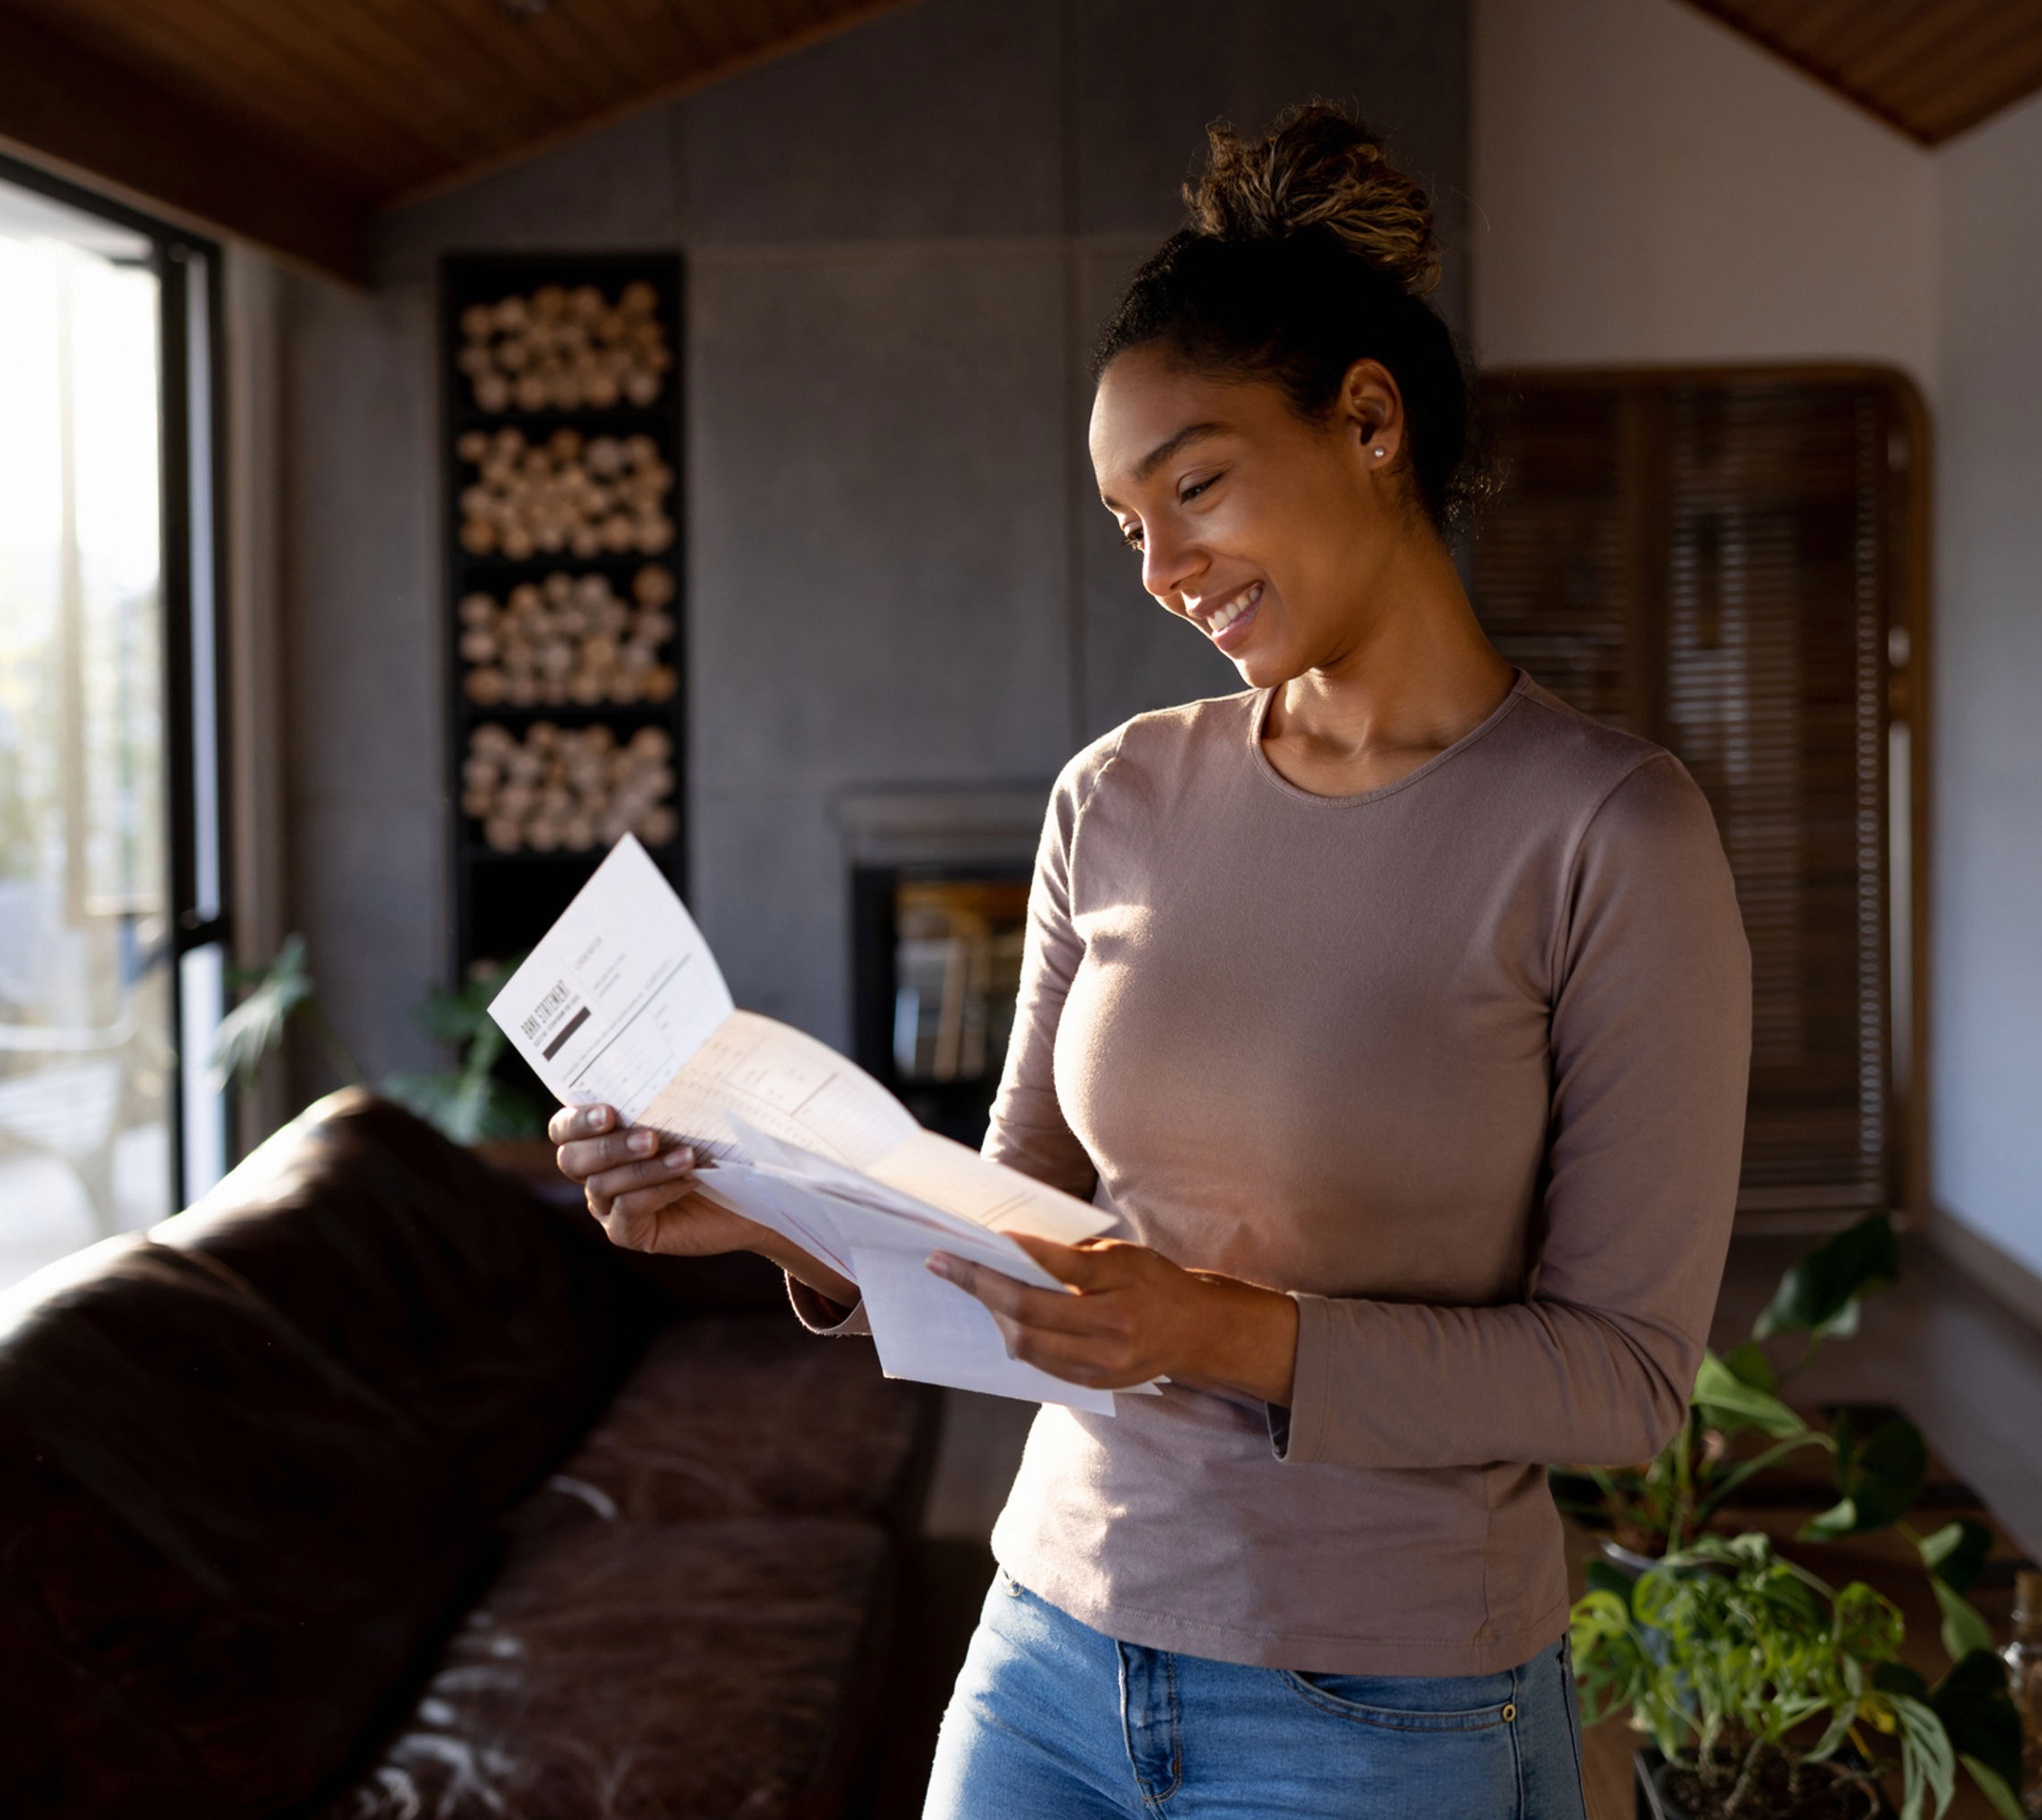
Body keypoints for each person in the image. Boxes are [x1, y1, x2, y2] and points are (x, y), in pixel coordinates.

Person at [548, 103, 1752, 1819]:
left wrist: (1217, 1328)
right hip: (1047, 1640)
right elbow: (1014, 1215)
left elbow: (1623, 1379)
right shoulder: (1115, 794)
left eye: (1193, 485)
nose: (1164, 568)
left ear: (1369, 419)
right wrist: (760, 1215)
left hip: (1383, 1699)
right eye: (1128, 524)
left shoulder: (1609, 833)